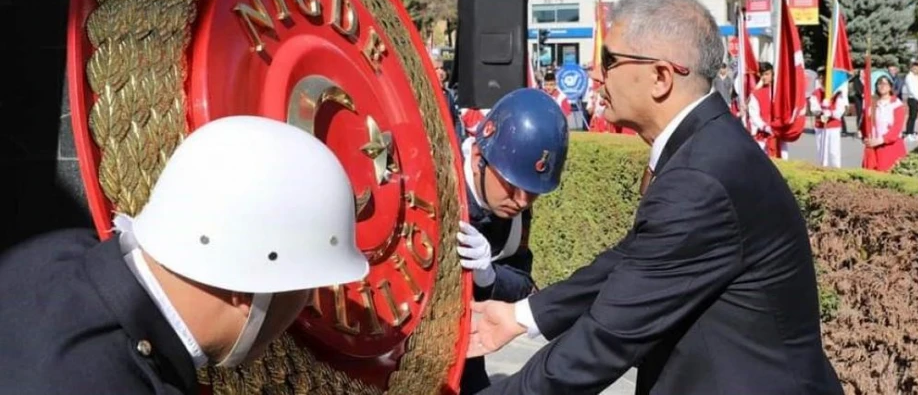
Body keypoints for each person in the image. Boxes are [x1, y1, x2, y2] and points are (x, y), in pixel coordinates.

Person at [466, 0, 842, 395]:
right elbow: (634, 258)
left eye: (609, 61)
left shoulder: (701, 177)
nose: (595, 75)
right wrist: (523, 316)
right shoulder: (705, 146)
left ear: (661, 77)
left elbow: (606, 338)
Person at [0, 116, 368, 394]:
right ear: (246, 285)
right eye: (306, 286)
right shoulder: (116, 382)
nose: (306, 306)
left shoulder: (52, 253)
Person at [456, 87, 570, 395]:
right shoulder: (441, 180)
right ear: (479, 156)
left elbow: (521, 280)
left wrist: (488, 276)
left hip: (465, 349)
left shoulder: (518, 210)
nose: (521, 201)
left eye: (532, 191)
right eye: (512, 185)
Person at [862, 73, 908, 172]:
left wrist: (881, 140)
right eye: (879, 83)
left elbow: (896, 129)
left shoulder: (896, 104)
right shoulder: (872, 103)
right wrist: (864, 137)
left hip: (891, 147)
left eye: (885, 84)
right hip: (873, 147)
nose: (882, 86)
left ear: (890, 86)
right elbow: (865, 124)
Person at [810, 67, 847, 167]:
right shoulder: (816, 93)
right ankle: (823, 171)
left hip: (834, 127)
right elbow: (814, 109)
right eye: (820, 77)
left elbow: (839, 112)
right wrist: (822, 110)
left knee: (834, 152)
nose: (822, 80)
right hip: (820, 127)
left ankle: (836, 172)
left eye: (824, 77)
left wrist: (830, 112)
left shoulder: (837, 93)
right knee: (822, 153)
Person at [747, 62, 779, 157]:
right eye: (762, 74)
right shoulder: (756, 95)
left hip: (779, 137)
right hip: (762, 137)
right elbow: (754, 116)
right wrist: (765, 127)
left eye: (767, 74)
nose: (764, 77)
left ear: (773, 74)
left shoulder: (779, 92)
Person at [902, 60, 918, 139]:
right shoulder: (909, 77)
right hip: (913, 99)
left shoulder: (917, 77)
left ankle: (912, 131)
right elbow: (912, 90)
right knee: (912, 116)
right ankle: (909, 132)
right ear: (912, 68)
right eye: (915, 68)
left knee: (915, 116)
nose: (917, 70)